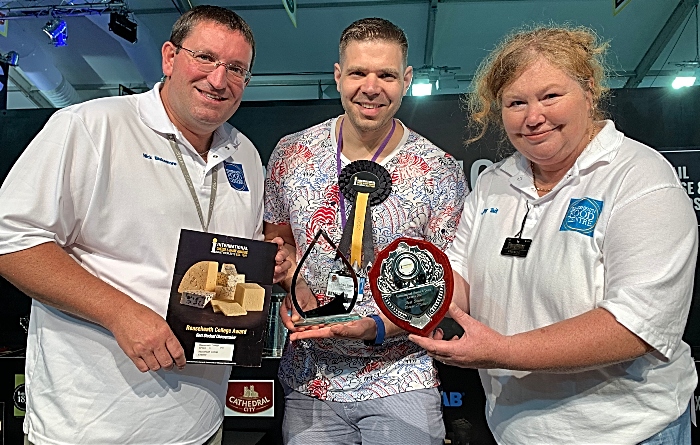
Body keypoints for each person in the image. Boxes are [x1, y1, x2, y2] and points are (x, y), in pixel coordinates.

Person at [0, 6, 290, 445]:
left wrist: (269, 263)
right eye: (206, 58)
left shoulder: (245, 154)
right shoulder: (92, 127)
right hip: (93, 427)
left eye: (236, 68)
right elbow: (11, 241)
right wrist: (121, 313)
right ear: (170, 58)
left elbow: (235, 258)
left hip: (202, 423)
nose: (218, 79)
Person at [410, 25, 698, 444]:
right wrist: (416, 310)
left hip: (627, 433)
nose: (533, 117)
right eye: (516, 102)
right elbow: (458, 273)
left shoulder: (640, 177)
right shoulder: (494, 183)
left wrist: (499, 351)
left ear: (590, 91)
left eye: (550, 96)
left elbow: (636, 326)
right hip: (515, 431)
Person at [264, 17, 468, 445]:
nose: (371, 87)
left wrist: (379, 328)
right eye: (358, 72)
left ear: (406, 80)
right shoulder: (291, 153)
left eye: (387, 75)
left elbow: (451, 285)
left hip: (401, 377)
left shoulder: (439, 170)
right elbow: (278, 241)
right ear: (338, 76)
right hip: (310, 379)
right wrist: (288, 275)